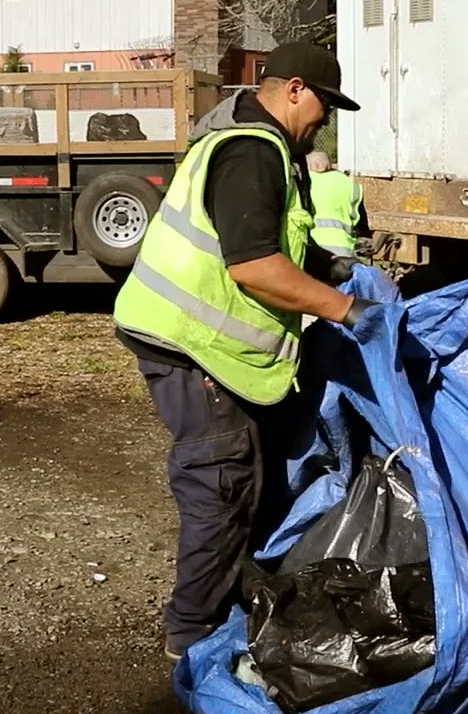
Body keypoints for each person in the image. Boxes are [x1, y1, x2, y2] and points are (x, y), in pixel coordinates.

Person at [113, 42, 380, 661]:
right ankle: (192, 634)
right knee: (222, 485)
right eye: (324, 104)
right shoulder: (251, 153)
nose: (326, 120)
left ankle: (231, 601)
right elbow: (256, 265)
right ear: (292, 89)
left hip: (206, 345)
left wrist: (332, 268)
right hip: (189, 344)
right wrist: (347, 309)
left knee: (252, 475)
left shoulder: (263, 149)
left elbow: (275, 242)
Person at [305, 149, 368, 259]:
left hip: (311, 250)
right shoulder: (347, 183)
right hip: (343, 252)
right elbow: (359, 220)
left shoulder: (305, 181)